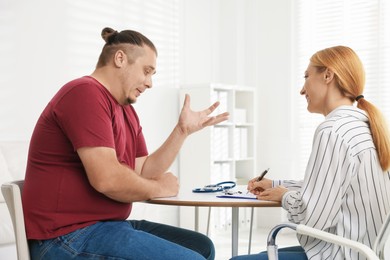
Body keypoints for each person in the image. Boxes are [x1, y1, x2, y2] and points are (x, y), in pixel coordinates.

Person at [22, 27, 229, 260]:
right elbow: (107, 179)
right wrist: (161, 187)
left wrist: (182, 131)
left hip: (107, 226)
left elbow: (144, 170)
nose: (150, 83)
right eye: (147, 71)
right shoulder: (84, 93)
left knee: (203, 247)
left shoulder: (126, 110)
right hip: (66, 236)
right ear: (120, 58)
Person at [232, 46, 390, 260]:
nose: (302, 90)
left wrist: (285, 196)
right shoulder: (363, 126)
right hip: (365, 251)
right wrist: (276, 184)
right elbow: (329, 188)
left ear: (327, 75)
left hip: (341, 253)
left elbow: (311, 217)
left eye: (306, 76)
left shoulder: (332, 130)